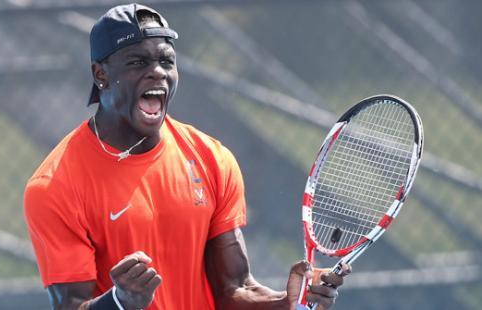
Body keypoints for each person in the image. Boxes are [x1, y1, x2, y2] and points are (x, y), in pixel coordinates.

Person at [23, 3, 350, 309]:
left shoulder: (212, 158)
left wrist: (284, 302)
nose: (157, 73)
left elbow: (234, 288)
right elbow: (69, 305)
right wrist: (119, 302)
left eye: (166, 61)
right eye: (137, 62)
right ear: (101, 74)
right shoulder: (54, 186)